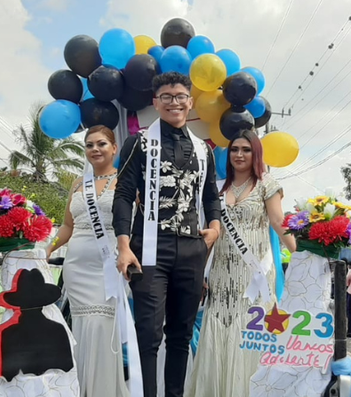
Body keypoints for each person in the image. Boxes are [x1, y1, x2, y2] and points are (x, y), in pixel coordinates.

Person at [114, 72, 221, 397]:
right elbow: (123, 194)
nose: (174, 102)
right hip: (148, 249)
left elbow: (211, 197)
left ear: (190, 102)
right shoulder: (140, 142)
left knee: (181, 334)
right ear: (155, 103)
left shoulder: (204, 150)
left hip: (191, 249)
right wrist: (123, 245)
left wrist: (214, 228)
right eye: (166, 97)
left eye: (179, 96)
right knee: (148, 332)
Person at [187, 130, 296, 397]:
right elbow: (208, 233)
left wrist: (301, 253)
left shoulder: (267, 184)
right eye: (235, 149)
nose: (239, 154)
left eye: (246, 149)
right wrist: (199, 271)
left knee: (250, 331)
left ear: (255, 153)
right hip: (221, 275)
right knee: (219, 328)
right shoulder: (217, 187)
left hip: (254, 275)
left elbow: (278, 223)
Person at [47, 125, 128, 397]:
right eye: (90, 144)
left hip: (107, 265)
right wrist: (49, 248)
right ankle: (80, 389)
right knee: (80, 329)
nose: (95, 149)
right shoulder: (78, 183)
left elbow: (135, 226)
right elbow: (68, 226)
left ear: (114, 148)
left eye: (101, 144)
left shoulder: (126, 181)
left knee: (102, 327)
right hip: (77, 268)